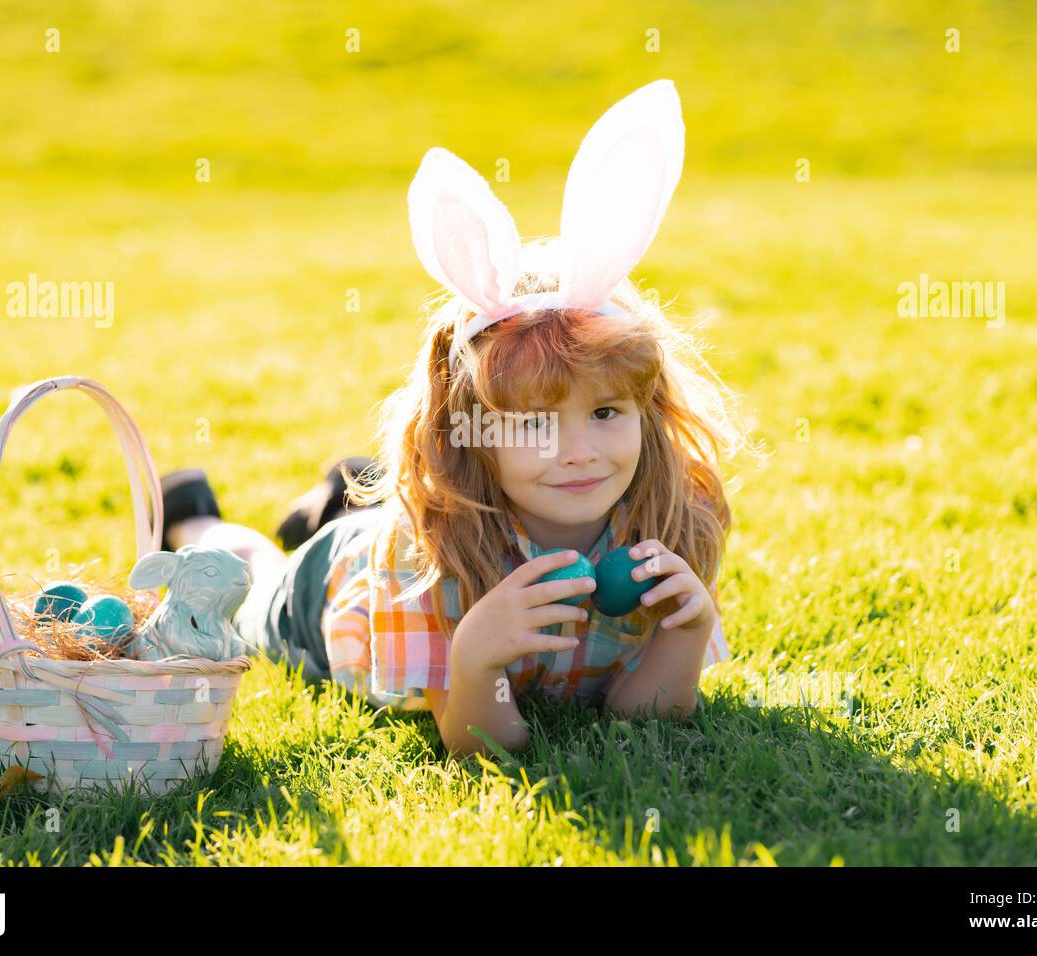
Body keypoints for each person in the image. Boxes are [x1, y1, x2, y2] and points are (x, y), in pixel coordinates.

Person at [161, 80, 765, 756]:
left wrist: (684, 632)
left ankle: (339, 494)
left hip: (445, 506)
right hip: (333, 590)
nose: (579, 452)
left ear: (645, 413)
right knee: (253, 580)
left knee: (341, 518)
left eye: (604, 412)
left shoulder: (669, 517)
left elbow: (639, 723)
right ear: (470, 437)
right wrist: (474, 657)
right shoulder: (425, 557)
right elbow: (480, 745)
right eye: (534, 424)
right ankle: (193, 512)